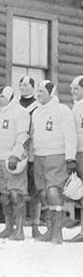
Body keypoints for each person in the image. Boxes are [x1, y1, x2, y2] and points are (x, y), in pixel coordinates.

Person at [31, 80, 77, 244]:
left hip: (56, 155)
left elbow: (70, 136)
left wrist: (70, 158)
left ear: (51, 93)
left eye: (42, 91)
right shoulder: (36, 112)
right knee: (43, 193)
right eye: (37, 91)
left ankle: (58, 232)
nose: (38, 94)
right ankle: (50, 229)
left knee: (53, 192)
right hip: (39, 156)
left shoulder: (62, 110)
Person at [0, 86, 30, 241]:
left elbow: (23, 135)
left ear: (10, 97)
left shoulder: (20, 112)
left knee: (16, 194)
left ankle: (19, 230)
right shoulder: (1, 113)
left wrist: (15, 155)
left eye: (2, 96)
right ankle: (8, 228)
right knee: (4, 195)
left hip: (12, 159)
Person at [18, 76, 41, 237]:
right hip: (18, 152)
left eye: (26, 85)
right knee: (17, 187)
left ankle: (35, 224)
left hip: (33, 152)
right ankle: (17, 224)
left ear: (32, 87)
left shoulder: (38, 106)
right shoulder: (15, 106)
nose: (23, 87)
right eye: (21, 85)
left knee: (34, 190)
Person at [68, 75, 83, 242]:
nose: (72, 92)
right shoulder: (76, 106)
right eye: (71, 88)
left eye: (76, 89)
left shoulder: (80, 107)